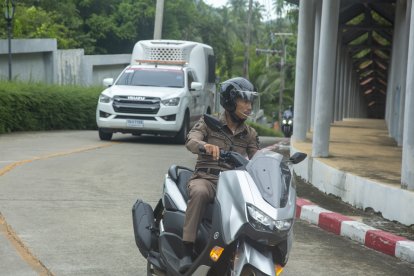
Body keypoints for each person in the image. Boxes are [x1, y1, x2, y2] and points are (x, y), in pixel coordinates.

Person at [179, 77, 260, 272]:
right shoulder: (209, 122)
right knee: (199, 193)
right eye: (245, 101)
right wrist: (204, 146)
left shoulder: (249, 133)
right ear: (231, 101)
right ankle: (186, 250)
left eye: (251, 102)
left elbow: (258, 160)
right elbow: (191, 140)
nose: (249, 106)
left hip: (233, 185)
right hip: (207, 179)